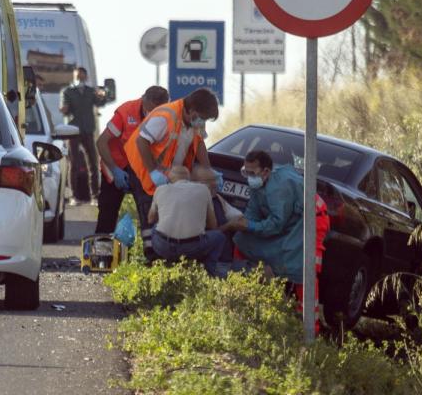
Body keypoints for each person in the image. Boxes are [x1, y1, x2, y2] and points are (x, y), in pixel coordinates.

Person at [124, 87, 220, 259]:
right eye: (202, 118)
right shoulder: (165, 116)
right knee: (149, 216)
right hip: (143, 170)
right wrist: (153, 171)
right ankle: (151, 260)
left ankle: (165, 258)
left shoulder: (194, 120)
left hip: (168, 173)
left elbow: (199, 144)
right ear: (191, 110)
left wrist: (208, 170)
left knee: (166, 212)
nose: (202, 122)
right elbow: (141, 141)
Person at [93, 85, 170, 234]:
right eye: (153, 109)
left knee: (148, 210)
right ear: (145, 100)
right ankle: (102, 250)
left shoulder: (166, 115)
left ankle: (151, 251)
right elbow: (101, 142)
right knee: (107, 211)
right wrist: (115, 170)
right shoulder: (126, 111)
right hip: (116, 164)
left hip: (141, 166)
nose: (155, 114)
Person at [222, 150, 304, 283]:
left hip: (307, 222)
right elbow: (253, 210)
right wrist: (245, 222)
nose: (248, 177)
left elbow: (277, 223)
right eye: (245, 172)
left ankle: (302, 301)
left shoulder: (279, 188)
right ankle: (239, 281)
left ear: (265, 171)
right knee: (242, 239)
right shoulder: (258, 184)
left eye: (251, 173)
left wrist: (251, 225)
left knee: (293, 260)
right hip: (284, 223)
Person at [147, 166, 225, 275]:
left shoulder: (160, 189)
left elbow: (150, 219)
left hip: (164, 247)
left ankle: (159, 268)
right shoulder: (203, 189)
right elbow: (213, 225)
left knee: (155, 228)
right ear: (189, 178)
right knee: (219, 237)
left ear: (168, 179)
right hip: (192, 248)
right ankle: (209, 272)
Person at [60, 66, 108, 203]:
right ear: (74, 76)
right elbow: (65, 109)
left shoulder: (90, 91)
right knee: (73, 163)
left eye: (82, 76)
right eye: (77, 76)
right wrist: (64, 109)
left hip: (88, 130)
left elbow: (100, 102)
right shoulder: (68, 92)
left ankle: (95, 196)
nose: (79, 78)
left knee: (93, 162)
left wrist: (103, 95)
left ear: (85, 77)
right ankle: (74, 196)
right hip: (73, 130)